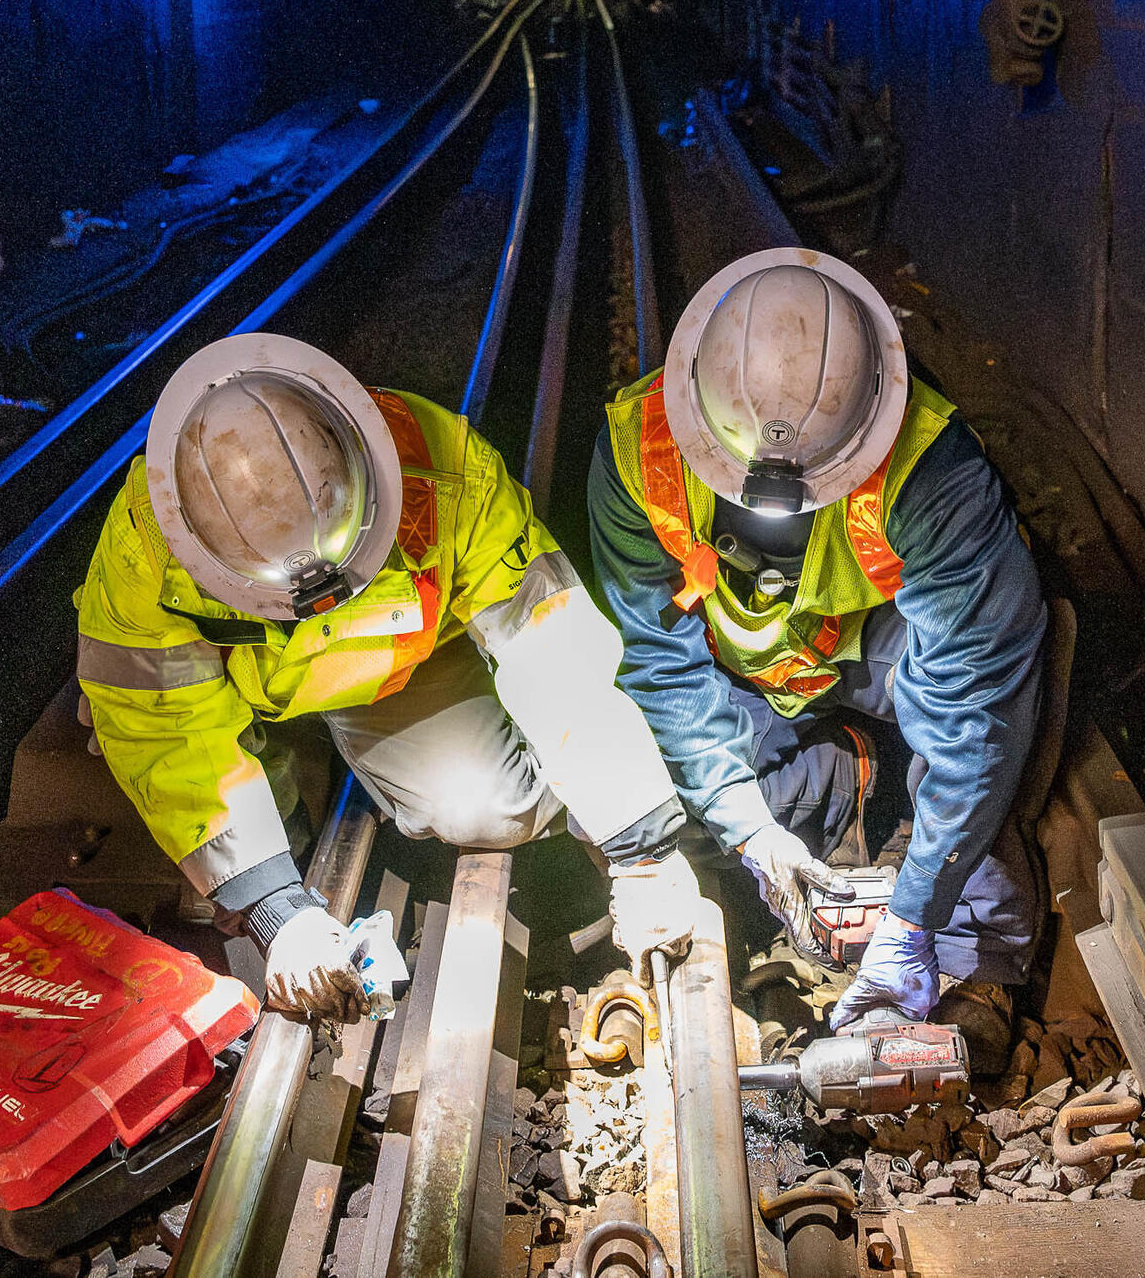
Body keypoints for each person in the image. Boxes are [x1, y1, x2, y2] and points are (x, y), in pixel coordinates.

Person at [73, 332, 692, 1024]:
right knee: (196, 815)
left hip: (381, 679)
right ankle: (270, 816)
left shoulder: (447, 476)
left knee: (487, 807)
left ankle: (313, 775)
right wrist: (273, 904)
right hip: (235, 694)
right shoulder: (145, 554)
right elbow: (159, 725)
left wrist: (639, 844)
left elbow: (552, 650)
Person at [587, 248, 1052, 1039]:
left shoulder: (930, 468)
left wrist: (914, 922)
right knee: (650, 789)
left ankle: (973, 954)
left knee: (995, 739)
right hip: (746, 677)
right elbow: (660, 663)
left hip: (879, 651)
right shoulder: (639, 453)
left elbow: (976, 706)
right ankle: (850, 779)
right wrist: (748, 831)